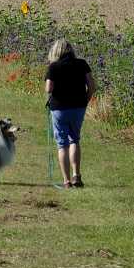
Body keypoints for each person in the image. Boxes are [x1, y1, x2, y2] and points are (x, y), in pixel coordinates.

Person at [45, 38, 96, 188]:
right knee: (74, 139)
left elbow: (48, 89)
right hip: (78, 107)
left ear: (55, 52)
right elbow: (92, 85)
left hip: (59, 108)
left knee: (62, 144)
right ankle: (77, 176)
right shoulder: (82, 64)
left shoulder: (53, 67)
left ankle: (66, 181)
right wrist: (86, 100)